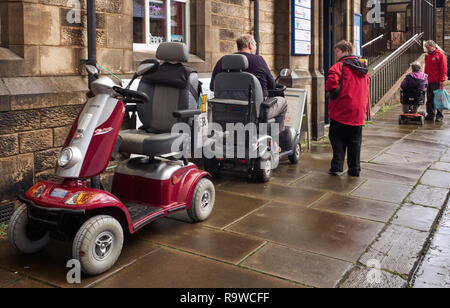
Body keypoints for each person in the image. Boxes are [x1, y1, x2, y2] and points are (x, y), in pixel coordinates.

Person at [210, 34, 288, 132]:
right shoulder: (258, 60)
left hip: (225, 112)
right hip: (254, 112)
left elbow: (212, 87)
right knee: (283, 102)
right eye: (255, 44)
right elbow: (272, 85)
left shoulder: (223, 61)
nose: (255, 47)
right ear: (250, 45)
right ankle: (276, 140)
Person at [325, 40, 370, 177]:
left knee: (337, 138)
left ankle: (337, 166)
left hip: (341, 110)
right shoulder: (363, 68)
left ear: (345, 51)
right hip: (358, 112)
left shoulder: (339, 66)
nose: (336, 55)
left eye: (337, 51)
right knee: (355, 141)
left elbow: (331, 85)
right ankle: (354, 169)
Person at [424, 40, 448, 122]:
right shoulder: (428, 56)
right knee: (429, 99)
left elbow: (443, 69)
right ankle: (430, 114)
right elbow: (426, 69)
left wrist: (442, 80)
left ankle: (439, 115)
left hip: (437, 81)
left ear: (434, 47)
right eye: (426, 48)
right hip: (429, 81)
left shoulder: (440, 55)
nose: (427, 49)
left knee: (438, 99)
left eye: (428, 48)